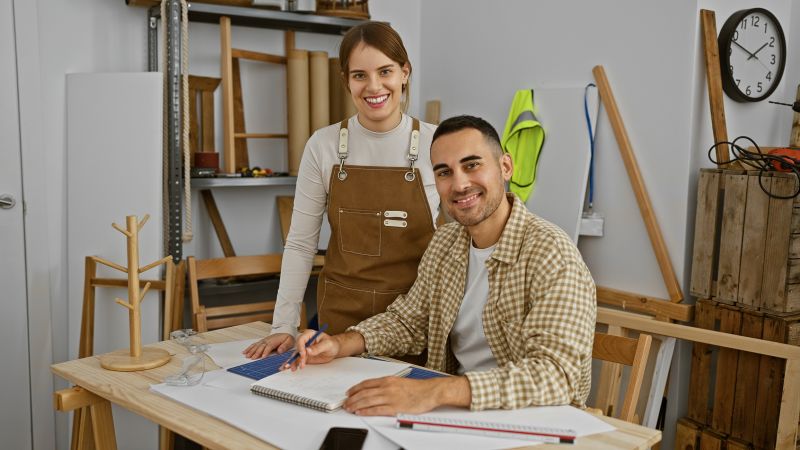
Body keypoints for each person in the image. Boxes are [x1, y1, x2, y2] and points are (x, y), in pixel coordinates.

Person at [286, 115, 596, 415]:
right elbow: (410, 321)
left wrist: (434, 391)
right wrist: (340, 344)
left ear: (505, 166)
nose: (459, 184)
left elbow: (556, 376)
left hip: (533, 421)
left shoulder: (552, 254)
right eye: (444, 172)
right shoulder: (446, 242)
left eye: (472, 165)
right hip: (455, 413)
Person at [244, 22, 439, 359]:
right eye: (360, 75)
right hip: (339, 327)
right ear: (346, 80)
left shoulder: (437, 144)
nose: (374, 86)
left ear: (405, 73)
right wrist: (283, 326)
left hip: (414, 325)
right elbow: (301, 243)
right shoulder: (323, 145)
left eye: (386, 71)